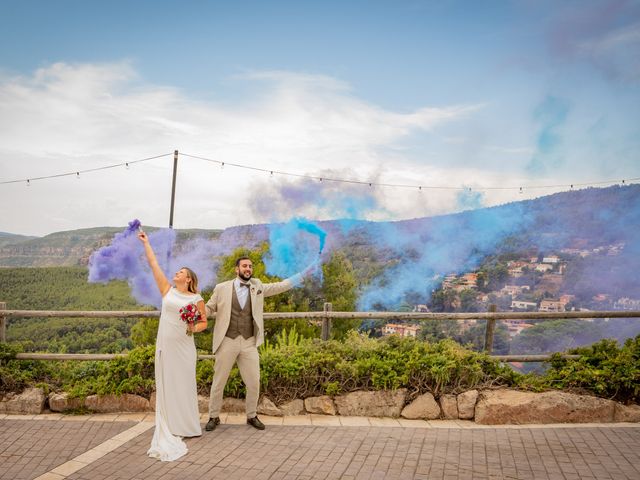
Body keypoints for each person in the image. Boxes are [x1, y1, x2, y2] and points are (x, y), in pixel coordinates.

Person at [205, 256, 315, 431]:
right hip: (227, 340)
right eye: (244, 266)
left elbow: (281, 285)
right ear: (237, 269)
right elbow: (209, 308)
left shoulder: (258, 286)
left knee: (254, 381)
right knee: (219, 381)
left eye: (250, 266)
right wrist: (195, 312)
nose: (248, 269)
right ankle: (213, 416)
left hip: (249, 342)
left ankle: (251, 415)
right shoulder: (221, 288)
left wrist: (302, 275)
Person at [137, 230, 207, 461]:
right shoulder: (167, 291)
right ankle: (170, 425)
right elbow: (153, 263)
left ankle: (187, 427)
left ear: (188, 279)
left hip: (184, 347)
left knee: (184, 385)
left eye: (181, 272)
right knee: (168, 385)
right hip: (166, 347)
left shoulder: (196, 299)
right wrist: (146, 243)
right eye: (177, 271)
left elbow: (203, 323)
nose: (176, 273)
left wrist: (191, 327)